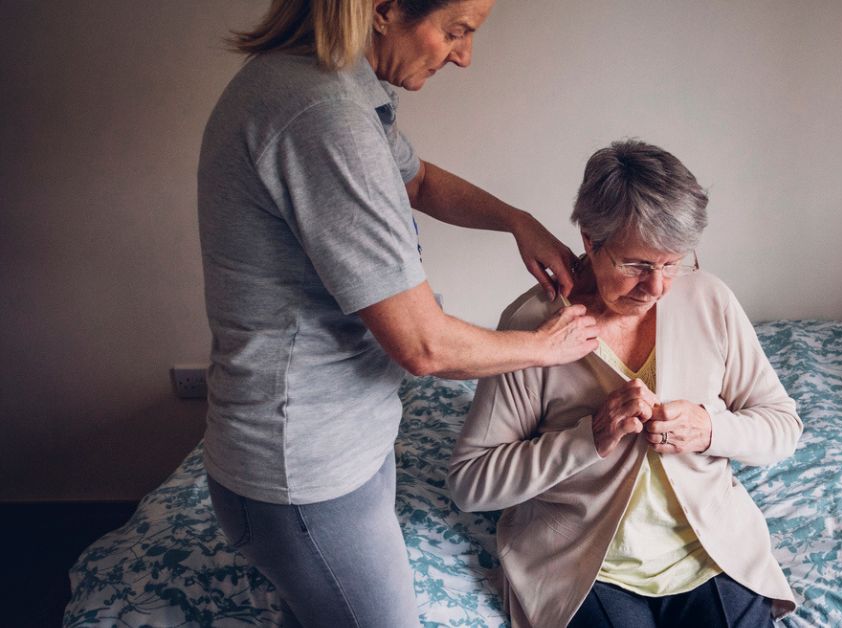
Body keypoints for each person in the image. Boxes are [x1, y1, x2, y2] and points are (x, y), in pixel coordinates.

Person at [197, 1, 599, 626]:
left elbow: (414, 181)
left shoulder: (335, 86)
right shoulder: (322, 115)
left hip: (333, 443)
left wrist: (516, 222)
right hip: (303, 468)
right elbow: (424, 347)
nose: (463, 56)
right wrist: (547, 346)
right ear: (384, 11)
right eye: (455, 32)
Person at [447, 140, 803, 628]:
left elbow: (782, 425)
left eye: (673, 263)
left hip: (709, 551)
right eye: (636, 264)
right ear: (591, 240)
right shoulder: (533, 326)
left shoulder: (711, 302)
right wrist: (587, 439)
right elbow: (470, 482)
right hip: (584, 564)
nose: (656, 287)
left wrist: (711, 429)